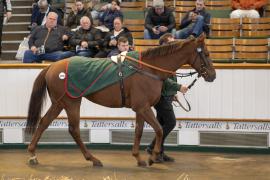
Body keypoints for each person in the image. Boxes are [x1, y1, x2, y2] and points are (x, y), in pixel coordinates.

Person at [146, 33, 188, 162]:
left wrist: (172, 93)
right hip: (161, 96)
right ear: (163, 44)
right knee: (170, 122)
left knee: (162, 125)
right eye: (170, 43)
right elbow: (163, 79)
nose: (173, 45)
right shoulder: (160, 59)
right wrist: (178, 87)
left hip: (166, 95)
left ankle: (159, 153)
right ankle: (153, 147)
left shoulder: (167, 58)